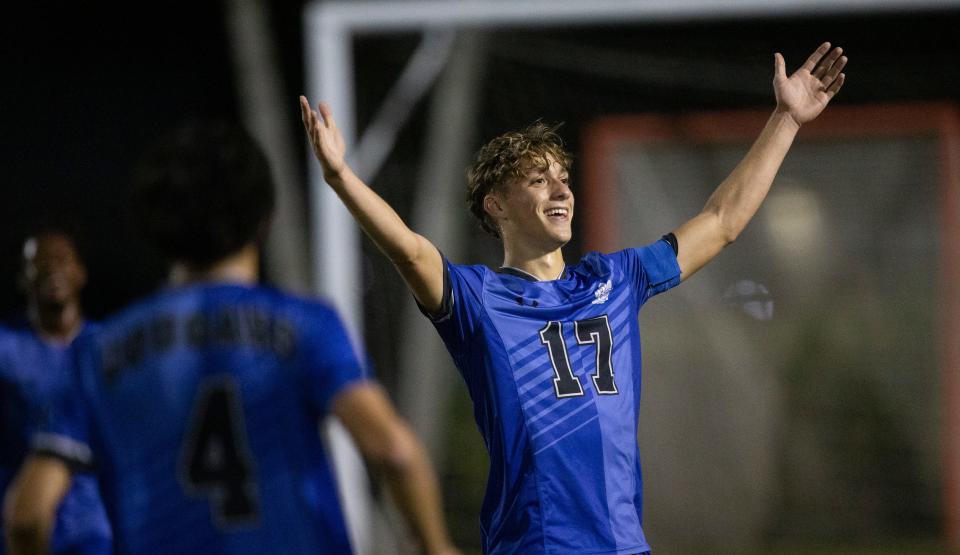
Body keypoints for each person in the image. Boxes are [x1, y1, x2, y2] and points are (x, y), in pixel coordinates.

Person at [298, 42, 847, 553]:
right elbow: (411, 252)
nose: (561, 189)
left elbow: (722, 222)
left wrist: (785, 120)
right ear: (495, 205)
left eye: (563, 178)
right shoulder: (477, 299)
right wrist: (342, 177)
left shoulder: (615, 279)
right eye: (538, 179)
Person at [3, 122, 459, 555]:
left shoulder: (97, 355)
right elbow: (393, 452)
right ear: (264, 219)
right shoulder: (303, 324)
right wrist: (434, 545)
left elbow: (27, 514)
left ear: (151, 227)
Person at [0, 231, 112, 555]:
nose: (52, 269)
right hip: (24, 527)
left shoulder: (110, 347)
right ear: (23, 278)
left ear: (81, 272)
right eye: (40, 263)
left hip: (98, 528)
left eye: (62, 259)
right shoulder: (7, 348)